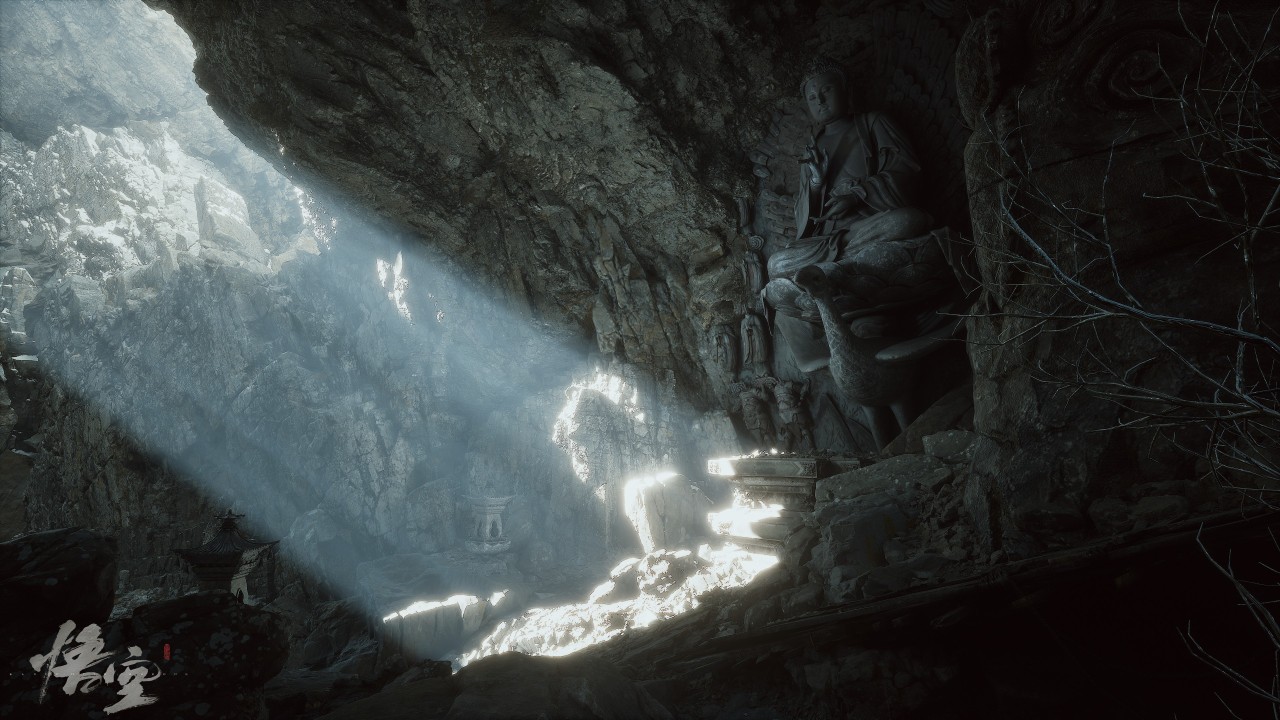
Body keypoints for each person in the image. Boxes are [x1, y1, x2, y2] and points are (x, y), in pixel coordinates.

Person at [763, 62, 954, 371]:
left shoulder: (873, 123)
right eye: (812, 97)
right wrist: (815, 184)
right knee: (776, 264)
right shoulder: (813, 149)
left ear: (846, 91)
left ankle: (835, 272)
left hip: (871, 229)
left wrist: (858, 194)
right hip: (832, 242)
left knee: (909, 221)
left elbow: (907, 171)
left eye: (826, 91)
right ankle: (837, 267)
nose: (820, 101)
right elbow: (806, 220)